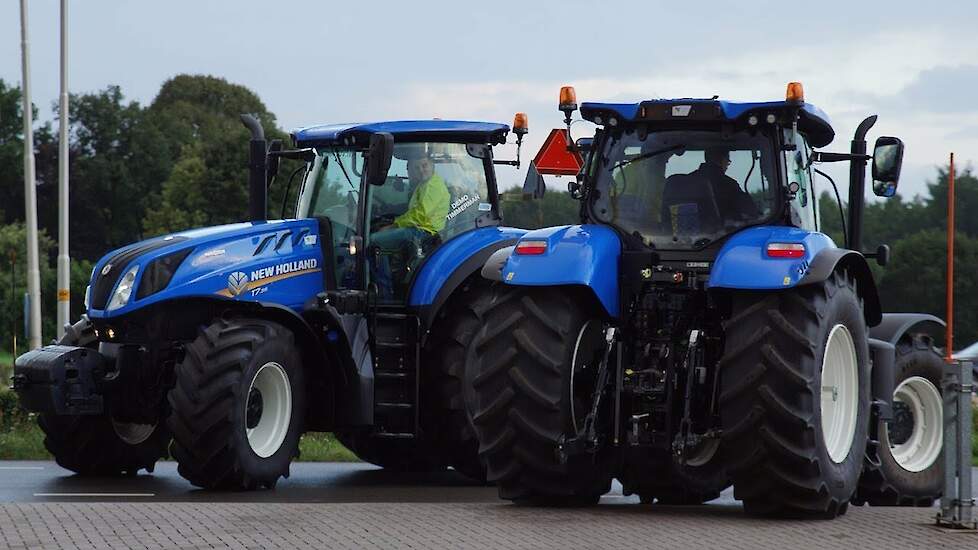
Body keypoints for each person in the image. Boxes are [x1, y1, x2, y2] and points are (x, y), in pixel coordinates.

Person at [370, 151, 450, 299]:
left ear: (432, 165)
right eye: (417, 167)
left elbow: (420, 214)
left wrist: (394, 224)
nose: (421, 170)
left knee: (373, 243)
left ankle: (384, 294)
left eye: (424, 165)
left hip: (422, 232)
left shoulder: (433, 186)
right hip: (418, 229)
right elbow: (413, 209)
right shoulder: (424, 185)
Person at [690, 147, 759, 221]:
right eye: (728, 161)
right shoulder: (730, 185)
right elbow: (752, 213)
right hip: (723, 231)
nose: (727, 166)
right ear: (723, 160)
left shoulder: (687, 181)